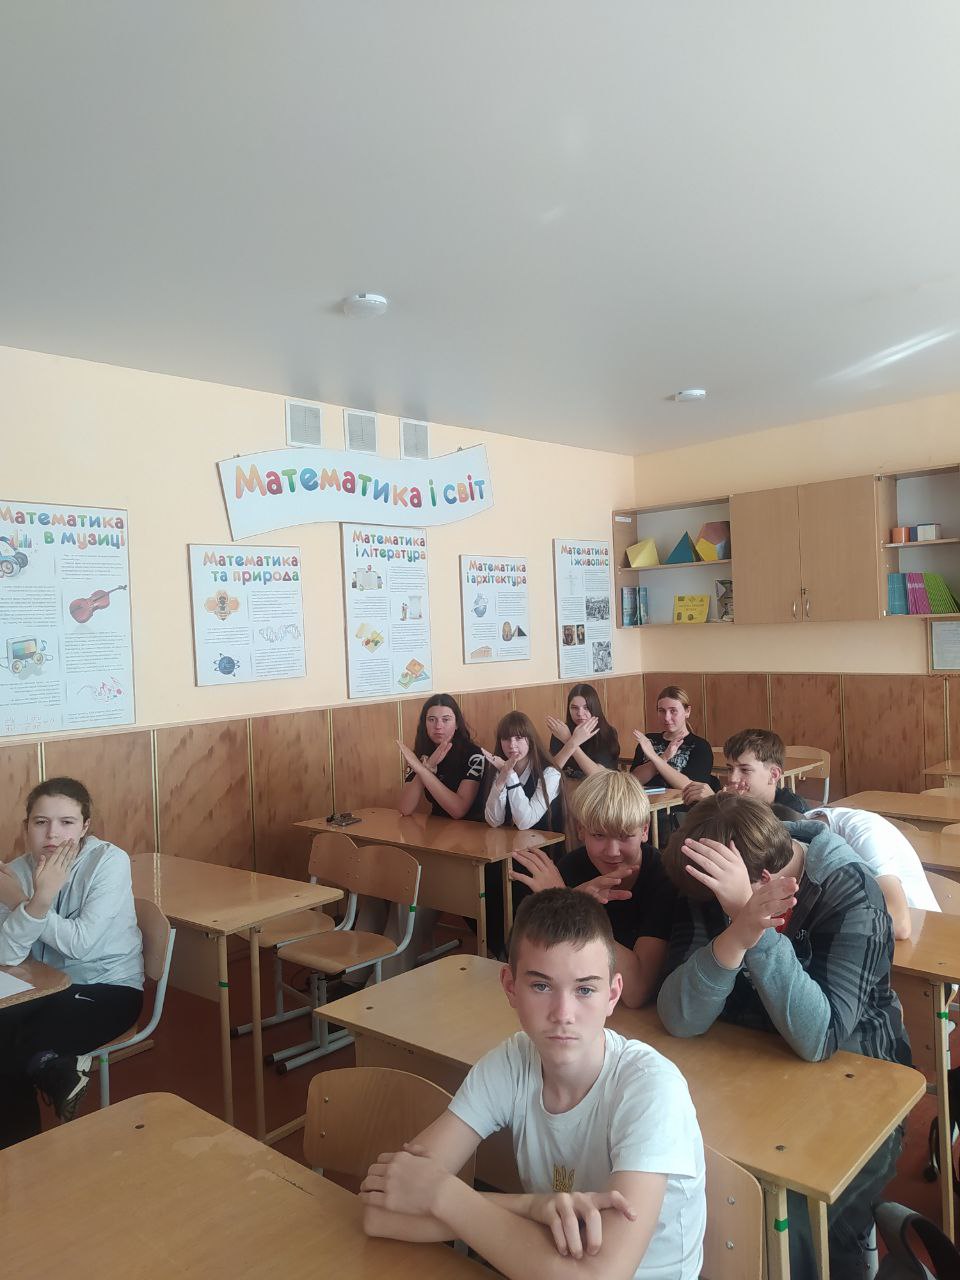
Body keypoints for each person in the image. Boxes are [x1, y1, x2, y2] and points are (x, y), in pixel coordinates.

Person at [361, 888, 706, 1279]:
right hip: (543, 1261)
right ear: (510, 986)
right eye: (541, 986)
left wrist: (443, 1194)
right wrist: (528, 1207)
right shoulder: (512, 1062)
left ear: (612, 995)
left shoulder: (651, 1088)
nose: (563, 1013)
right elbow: (380, 1212)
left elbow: (601, 1276)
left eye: (585, 989)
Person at [657, 792, 910, 1279]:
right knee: (684, 1188)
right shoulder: (712, 876)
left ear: (766, 880)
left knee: (793, 1225)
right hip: (750, 1076)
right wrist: (737, 932)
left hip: (861, 1083)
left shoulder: (849, 888)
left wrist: (753, 925)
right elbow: (680, 1018)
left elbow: (821, 1037)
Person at [0, 777, 144, 1149]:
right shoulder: (15, 872)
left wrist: (30, 902)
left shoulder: (108, 862)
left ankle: (20, 1152)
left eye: (66, 822)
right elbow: (7, 955)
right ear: (26, 826)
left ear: (85, 827)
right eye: (41, 822)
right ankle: (49, 1071)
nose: (52, 834)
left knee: (8, 1051)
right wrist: (28, 900)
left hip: (107, 988)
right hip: (44, 990)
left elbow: (80, 944)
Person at [509, 770, 675, 1007]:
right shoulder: (570, 867)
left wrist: (571, 906)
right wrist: (564, 901)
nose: (612, 851)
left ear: (645, 830)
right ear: (581, 831)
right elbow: (520, 958)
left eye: (625, 836)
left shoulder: (664, 877)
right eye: (598, 835)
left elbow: (637, 991)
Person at [801, 806, 940, 939]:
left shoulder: (863, 832)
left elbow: (899, 924)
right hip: (869, 930)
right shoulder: (806, 828)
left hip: (918, 936)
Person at [681, 728, 808, 815]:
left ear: (773, 775)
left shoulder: (794, 810)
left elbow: (764, 842)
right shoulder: (736, 801)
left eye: (745, 770)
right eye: (730, 769)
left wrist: (717, 805)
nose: (732, 778)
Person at [397, 694, 485, 820]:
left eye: (446, 719)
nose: (438, 726)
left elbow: (458, 811)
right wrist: (428, 765)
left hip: (471, 826)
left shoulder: (474, 754)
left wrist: (423, 770)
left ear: (457, 724)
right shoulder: (421, 754)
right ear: (424, 724)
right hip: (436, 824)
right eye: (431, 719)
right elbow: (405, 809)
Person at [484, 710, 564, 836]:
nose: (512, 745)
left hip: (545, 844)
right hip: (510, 843)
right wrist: (502, 779)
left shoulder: (550, 773)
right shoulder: (499, 769)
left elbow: (525, 822)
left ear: (530, 740)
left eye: (519, 738)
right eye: (506, 738)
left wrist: (510, 775)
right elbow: (494, 821)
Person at [629, 686, 713, 793]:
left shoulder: (700, 746)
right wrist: (664, 757)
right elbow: (633, 781)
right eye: (661, 711)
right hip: (644, 802)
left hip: (679, 803)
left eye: (673, 711)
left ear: (687, 711)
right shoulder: (649, 740)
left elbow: (691, 788)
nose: (666, 718)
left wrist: (654, 757)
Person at [546, 684, 621, 780]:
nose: (580, 713)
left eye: (586, 708)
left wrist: (569, 740)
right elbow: (550, 772)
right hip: (568, 786)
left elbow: (598, 776)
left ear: (594, 708)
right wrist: (572, 741)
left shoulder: (607, 733)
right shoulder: (561, 731)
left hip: (599, 787)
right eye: (574, 708)